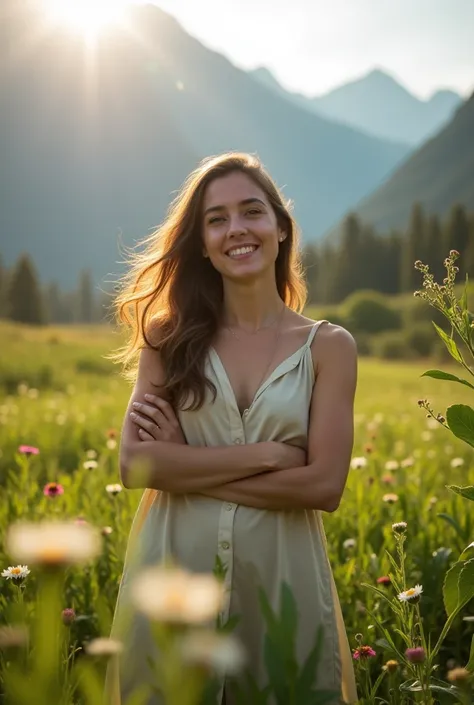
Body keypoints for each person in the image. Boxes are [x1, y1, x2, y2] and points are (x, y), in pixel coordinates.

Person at [106, 152, 358, 704]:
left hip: (281, 582)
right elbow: (135, 467)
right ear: (200, 241)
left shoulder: (329, 347)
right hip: (173, 578)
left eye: (251, 211)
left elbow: (323, 487)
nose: (236, 230)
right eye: (216, 219)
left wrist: (182, 467)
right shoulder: (166, 339)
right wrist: (269, 455)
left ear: (280, 227)